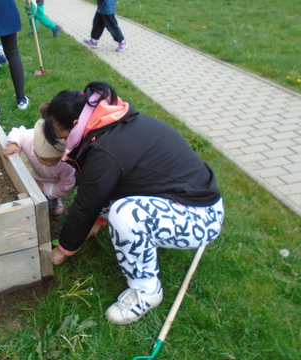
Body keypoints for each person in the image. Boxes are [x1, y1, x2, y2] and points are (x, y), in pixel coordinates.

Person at [42, 81, 224, 324]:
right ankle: (111, 228)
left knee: (126, 214)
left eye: (60, 134)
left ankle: (147, 291)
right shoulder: (112, 122)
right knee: (113, 191)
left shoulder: (104, 150)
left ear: (75, 124)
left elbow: (86, 202)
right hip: (188, 197)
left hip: (200, 219)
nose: (62, 140)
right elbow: (104, 187)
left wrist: (62, 250)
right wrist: (95, 221)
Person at [3, 102, 76, 215]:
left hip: (52, 186)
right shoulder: (29, 139)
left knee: (48, 205)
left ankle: (55, 202)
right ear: (35, 149)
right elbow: (17, 131)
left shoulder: (67, 163)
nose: (49, 163)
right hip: (37, 178)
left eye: (54, 160)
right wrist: (13, 144)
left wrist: (43, 187)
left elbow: (66, 188)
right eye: (43, 159)